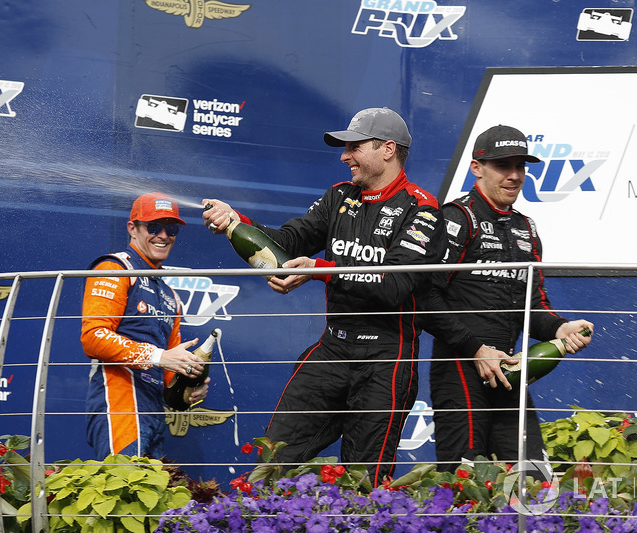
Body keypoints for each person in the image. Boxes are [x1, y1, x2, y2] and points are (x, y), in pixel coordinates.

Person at [203, 107, 445, 486]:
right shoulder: (338, 197)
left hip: (386, 358)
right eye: (344, 147)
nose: (345, 156)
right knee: (274, 460)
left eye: (354, 146)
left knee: (365, 486)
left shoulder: (422, 208)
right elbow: (287, 241)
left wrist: (321, 270)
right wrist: (237, 222)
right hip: (333, 349)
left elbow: (394, 284)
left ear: (387, 149)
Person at [424, 125, 594, 474]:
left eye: (520, 166)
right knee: (464, 484)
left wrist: (561, 328)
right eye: (503, 166)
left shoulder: (526, 228)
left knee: (531, 478)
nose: (514, 175)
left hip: (509, 372)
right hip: (460, 368)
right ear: (477, 168)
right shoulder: (458, 218)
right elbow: (425, 298)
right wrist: (476, 349)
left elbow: (533, 306)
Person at [82, 192, 210, 460]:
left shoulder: (170, 295)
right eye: (153, 227)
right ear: (132, 229)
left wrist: (187, 388)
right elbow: (93, 337)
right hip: (119, 401)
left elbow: (168, 377)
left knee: (150, 496)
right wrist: (161, 356)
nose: (163, 235)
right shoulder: (114, 268)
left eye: (171, 228)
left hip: (153, 410)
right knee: (123, 491)